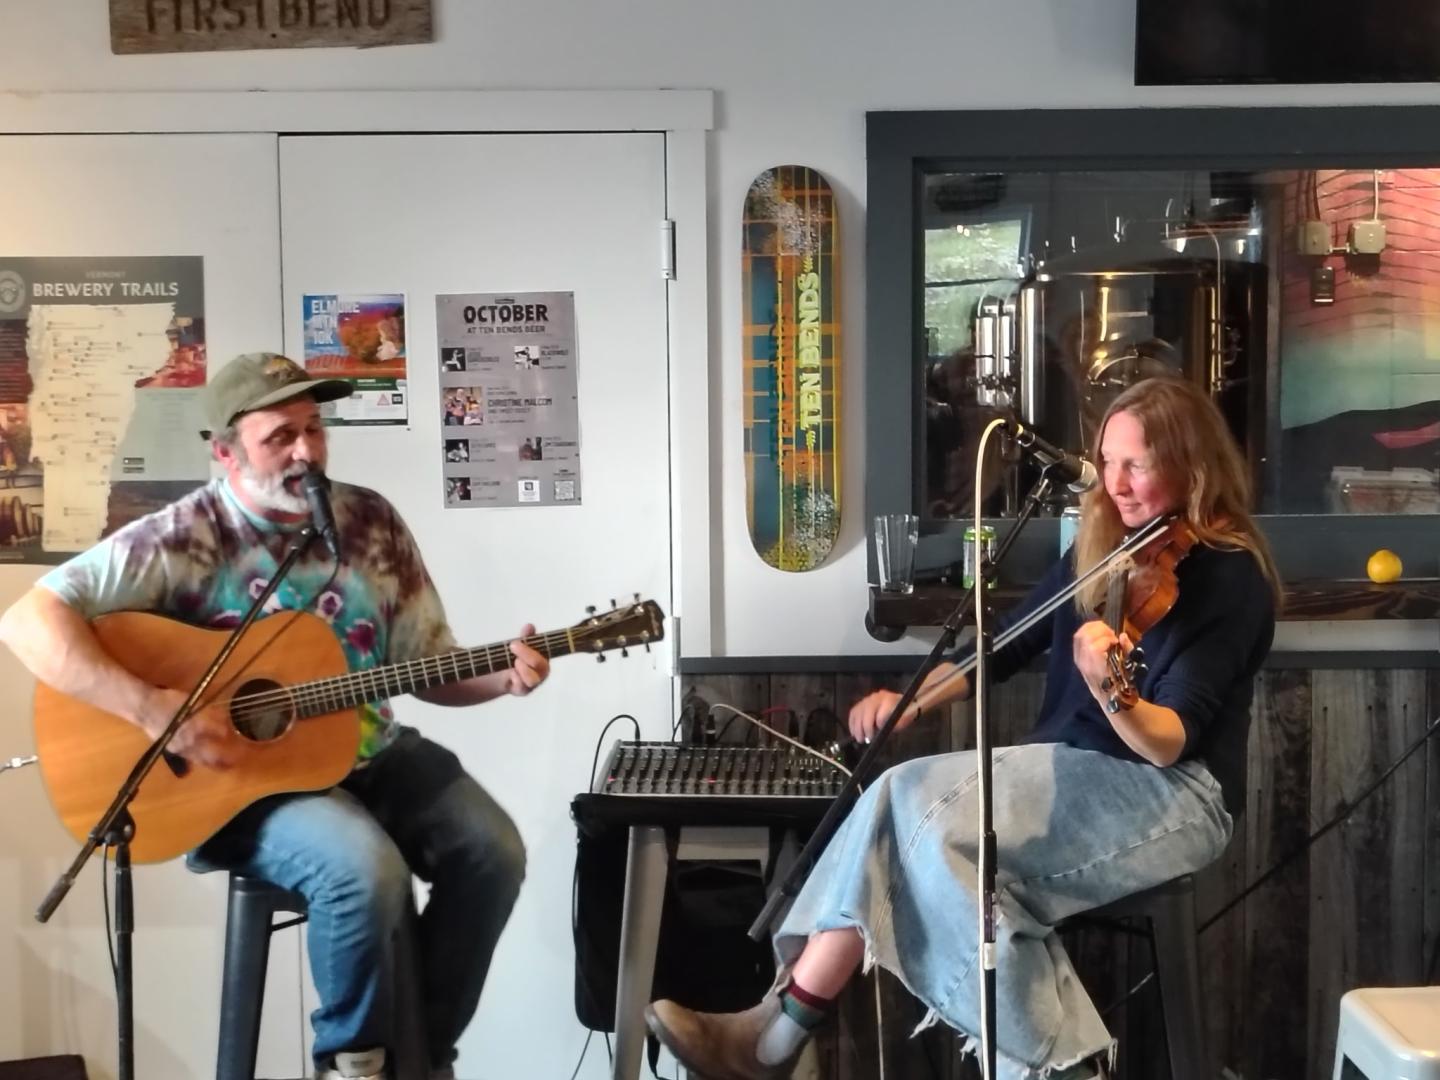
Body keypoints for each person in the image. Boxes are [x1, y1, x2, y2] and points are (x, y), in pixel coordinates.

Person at [645, 376, 1279, 1080]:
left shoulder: (1228, 578)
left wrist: (1113, 690)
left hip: (1174, 794)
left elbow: (1171, 739)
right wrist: (910, 701)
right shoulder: (1104, 550)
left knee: (940, 830)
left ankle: (1036, 1061)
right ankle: (778, 1029)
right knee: (897, 796)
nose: (1116, 483)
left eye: (1139, 464)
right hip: (1070, 767)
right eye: (1108, 460)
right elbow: (1004, 645)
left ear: (1192, 466)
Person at [0, 352, 549, 1080]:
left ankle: (420, 1055)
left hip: (372, 751)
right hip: (245, 784)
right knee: (364, 867)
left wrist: (501, 678)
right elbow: (28, 620)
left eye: (316, 429)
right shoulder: (179, 537)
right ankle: (354, 1062)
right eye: (280, 436)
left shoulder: (371, 521)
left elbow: (430, 663)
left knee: (494, 852)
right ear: (224, 452)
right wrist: (149, 704)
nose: (306, 452)